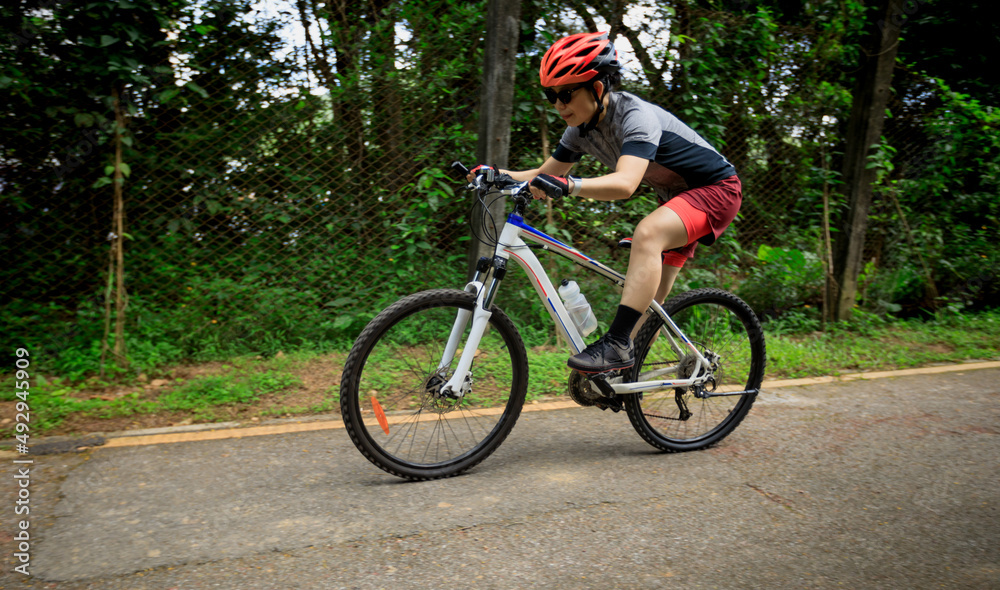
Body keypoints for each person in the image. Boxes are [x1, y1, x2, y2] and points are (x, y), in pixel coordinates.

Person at [470, 31, 742, 375]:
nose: (558, 104)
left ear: (597, 88)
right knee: (647, 310)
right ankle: (626, 373)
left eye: (566, 93)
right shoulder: (579, 128)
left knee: (648, 234)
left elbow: (626, 183)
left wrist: (569, 186)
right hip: (674, 197)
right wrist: (496, 174)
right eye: (550, 95)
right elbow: (544, 173)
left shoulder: (636, 116)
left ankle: (614, 347)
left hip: (717, 190)